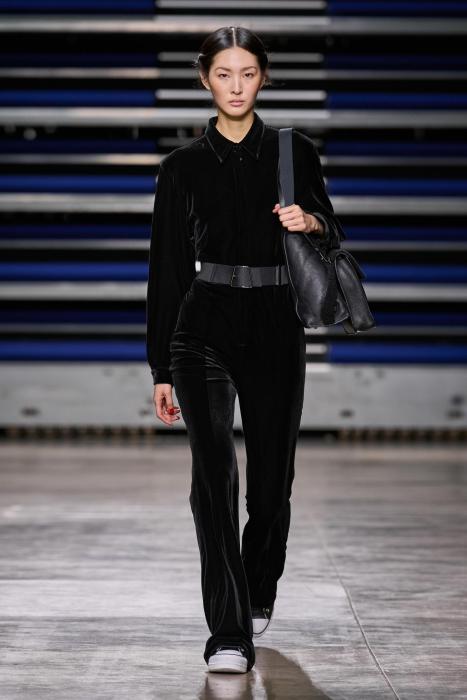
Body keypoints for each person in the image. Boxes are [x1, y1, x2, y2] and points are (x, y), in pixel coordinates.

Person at [146, 25, 346, 674]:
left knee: (271, 484)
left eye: (248, 73)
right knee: (213, 480)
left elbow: (331, 233)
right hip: (201, 326)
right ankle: (228, 632)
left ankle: (259, 584)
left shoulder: (294, 153)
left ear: (263, 78)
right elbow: (166, 271)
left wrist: (310, 220)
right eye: (223, 74)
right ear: (205, 79)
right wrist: (160, 367)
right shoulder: (180, 167)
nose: (236, 87)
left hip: (275, 322)